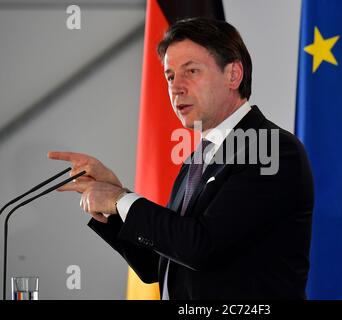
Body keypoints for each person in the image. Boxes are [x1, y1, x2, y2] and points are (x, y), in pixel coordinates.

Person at [48, 18, 314, 300]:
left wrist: (119, 199)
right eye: (170, 76)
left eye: (192, 71)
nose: (176, 87)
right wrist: (115, 205)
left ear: (233, 75)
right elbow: (162, 263)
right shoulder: (200, 157)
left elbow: (203, 247)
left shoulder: (271, 148)